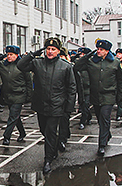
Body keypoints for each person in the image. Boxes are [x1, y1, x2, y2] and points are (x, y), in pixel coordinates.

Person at [17, 37, 77, 173]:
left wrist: (69, 107)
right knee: (44, 130)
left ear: (58, 51)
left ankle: (47, 160)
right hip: (41, 104)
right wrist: (32, 54)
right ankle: (54, 148)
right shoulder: (37, 63)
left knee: (50, 132)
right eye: (48, 49)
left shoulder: (65, 66)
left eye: (53, 49)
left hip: (57, 105)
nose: (50, 51)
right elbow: (20, 65)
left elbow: (71, 88)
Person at [75, 39, 122, 156]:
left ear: (107, 51)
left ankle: (102, 145)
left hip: (108, 95)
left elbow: (121, 80)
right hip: (95, 95)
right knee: (100, 118)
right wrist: (87, 55)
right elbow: (77, 66)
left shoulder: (115, 62)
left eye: (101, 49)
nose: (98, 51)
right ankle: (107, 134)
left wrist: (120, 96)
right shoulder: (91, 61)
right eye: (98, 49)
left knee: (104, 117)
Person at [0, 45, 31, 145]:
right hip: (8, 94)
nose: (9, 56)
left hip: (19, 94)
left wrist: (29, 95)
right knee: (15, 116)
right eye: (8, 54)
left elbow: (29, 81)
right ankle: (22, 133)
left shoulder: (22, 65)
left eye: (11, 54)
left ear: (17, 55)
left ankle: (6, 137)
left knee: (13, 116)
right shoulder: (3, 65)